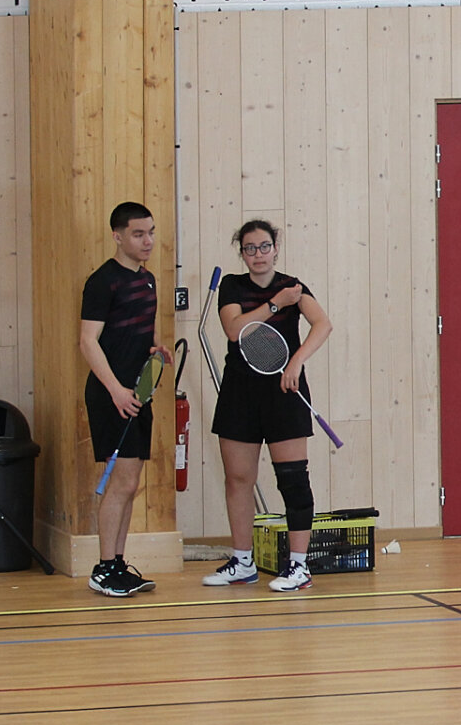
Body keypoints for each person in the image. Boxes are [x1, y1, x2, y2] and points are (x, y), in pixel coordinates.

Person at [203, 220, 334, 592]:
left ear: (276, 248)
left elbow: (323, 324)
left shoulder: (294, 286)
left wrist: (297, 362)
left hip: (284, 392)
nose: (258, 254)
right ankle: (243, 562)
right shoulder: (232, 286)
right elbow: (235, 329)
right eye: (250, 248)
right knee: (238, 479)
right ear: (242, 253)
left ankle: (299, 567)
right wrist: (276, 304)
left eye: (264, 246)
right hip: (239, 394)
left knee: (293, 479)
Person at [79, 202, 171, 597]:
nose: (147, 240)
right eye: (138, 234)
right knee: (121, 482)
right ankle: (102, 569)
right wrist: (116, 390)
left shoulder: (148, 280)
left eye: (150, 232)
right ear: (118, 236)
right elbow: (88, 342)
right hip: (110, 395)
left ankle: (117, 563)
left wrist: (156, 349)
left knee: (130, 483)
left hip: (137, 393)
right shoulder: (102, 282)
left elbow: (138, 332)